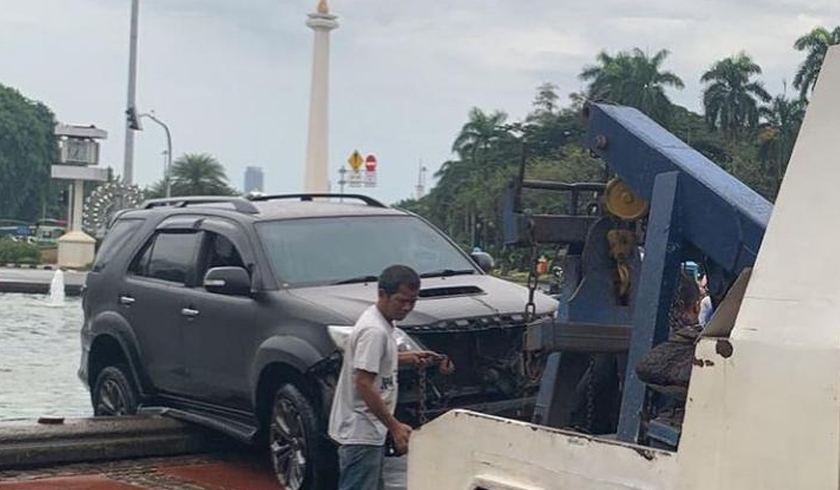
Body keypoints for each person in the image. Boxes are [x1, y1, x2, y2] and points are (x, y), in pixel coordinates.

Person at [329, 265, 453, 490]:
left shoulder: (381, 322)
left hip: (366, 430)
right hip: (361, 432)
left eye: (412, 302)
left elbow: (374, 359)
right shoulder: (374, 331)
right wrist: (394, 426)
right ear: (382, 294)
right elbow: (364, 383)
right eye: (401, 301)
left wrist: (407, 357)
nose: (406, 308)